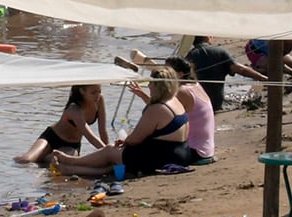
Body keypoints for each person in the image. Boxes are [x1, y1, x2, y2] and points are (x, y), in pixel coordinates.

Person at [51, 68, 197, 179]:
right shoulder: (174, 102)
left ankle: (72, 162)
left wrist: (124, 141)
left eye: (151, 84)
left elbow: (134, 140)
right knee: (112, 162)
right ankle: (70, 169)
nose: (149, 87)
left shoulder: (157, 109)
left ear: (158, 87)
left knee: (109, 151)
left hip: (161, 158)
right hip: (181, 154)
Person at [16, 84, 109, 165]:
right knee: (25, 161)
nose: (97, 95)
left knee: (61, 160)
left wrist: (109, 155)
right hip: (52, 137)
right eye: (93, 93)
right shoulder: (74, 108)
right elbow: (89, 136)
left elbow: (103, 131)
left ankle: (44, 158)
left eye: (99, 91)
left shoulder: (100, 100)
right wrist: (108, 151)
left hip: (72, 145)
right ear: (82, 91)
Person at [184, 36, 265, 110]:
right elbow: (240, 69)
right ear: (207, 37)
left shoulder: (190, 56)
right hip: (215, 103)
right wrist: (262, 77)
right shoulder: (219, 51)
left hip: (195, 104)